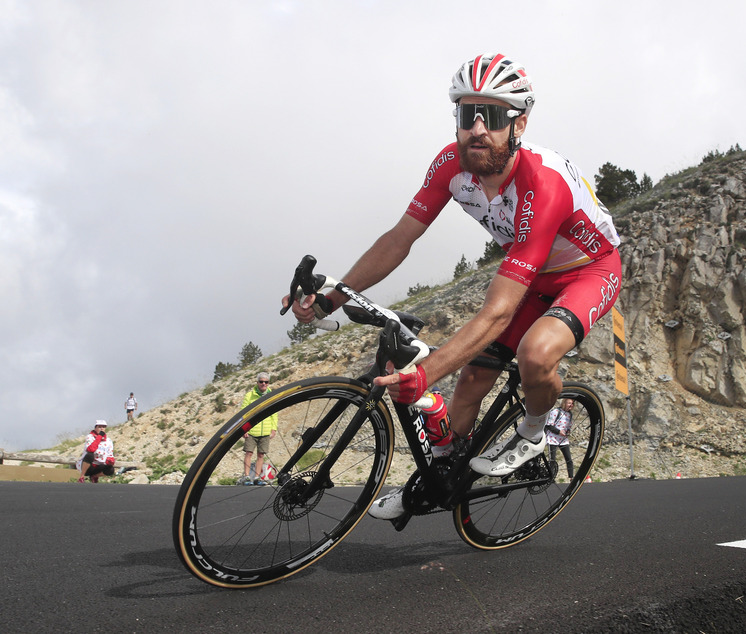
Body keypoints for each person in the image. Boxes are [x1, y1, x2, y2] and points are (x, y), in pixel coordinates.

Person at [287, 53, 621, 521]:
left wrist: (424, 375)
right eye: (468, 115)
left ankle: (534, 430)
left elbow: (498, 313)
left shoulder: (544, 184)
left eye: (495, 116)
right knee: (470, 381)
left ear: (519, 123)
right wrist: (329, 299)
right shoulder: (450, 165)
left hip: (589, 271)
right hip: (532, 273)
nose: (478, 128)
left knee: (536, 353)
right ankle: (436, 479)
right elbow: (400, 239)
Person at [238, 372, 278, 485]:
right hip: (251, 430)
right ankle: (246, 477)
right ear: (257, 382)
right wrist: (244, 429)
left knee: (261, 454)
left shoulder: (272, 395)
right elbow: (244, 413)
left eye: (266, 382)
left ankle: (257, 477)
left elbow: (274, 413)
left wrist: (273, 428)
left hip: (265, 430)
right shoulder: (249, 396)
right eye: (261, 381)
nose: (263, 384)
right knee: (249, 453)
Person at [545, 398, 575, 479]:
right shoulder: (556, 412)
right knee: (552, 460)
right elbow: (548, 425)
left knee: (569, 459)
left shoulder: (570, 414)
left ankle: (571, 477)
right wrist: (558, 432)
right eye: (569, 403)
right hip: (553, 439)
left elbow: (568, 426)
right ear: (564, 403)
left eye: (572, 404)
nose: (571, 405)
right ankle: (550, 478)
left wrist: (568, 431)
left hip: (563, 440)